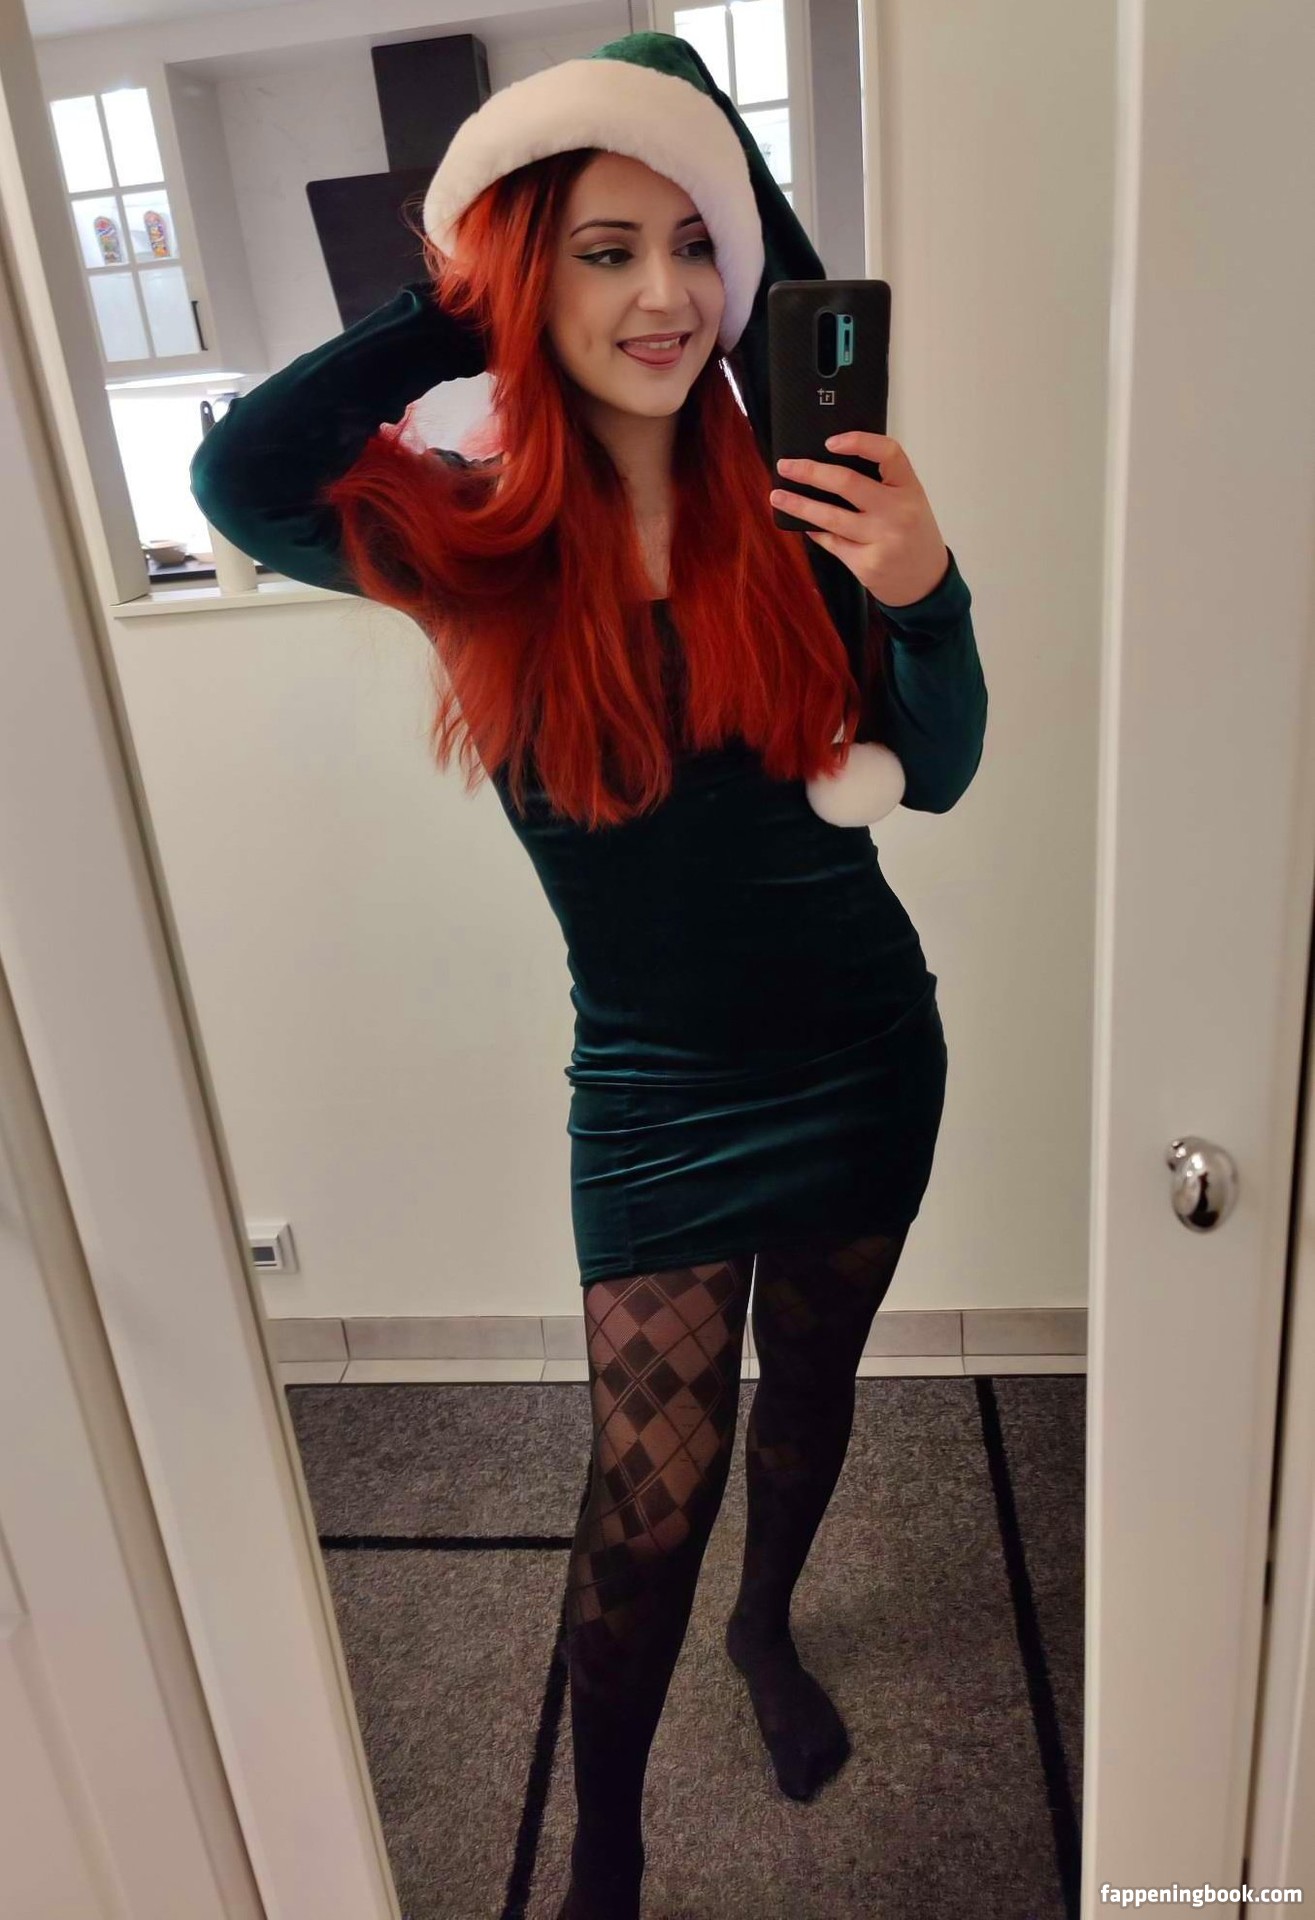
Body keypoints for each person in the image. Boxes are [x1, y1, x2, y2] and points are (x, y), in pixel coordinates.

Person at [191, 32, 988, 1919]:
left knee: (813, 1392)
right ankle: (606, 1849)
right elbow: (239, 476)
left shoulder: (803, 501)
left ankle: (768, 1626)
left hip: (866, 1048)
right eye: (602, 252)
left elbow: (941, 769)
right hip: (652, 1095)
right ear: (518, 284)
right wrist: (450, 299)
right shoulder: (470, 540)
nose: (664, 295)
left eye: (693, 247)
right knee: (644, 1495)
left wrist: (925, 586)